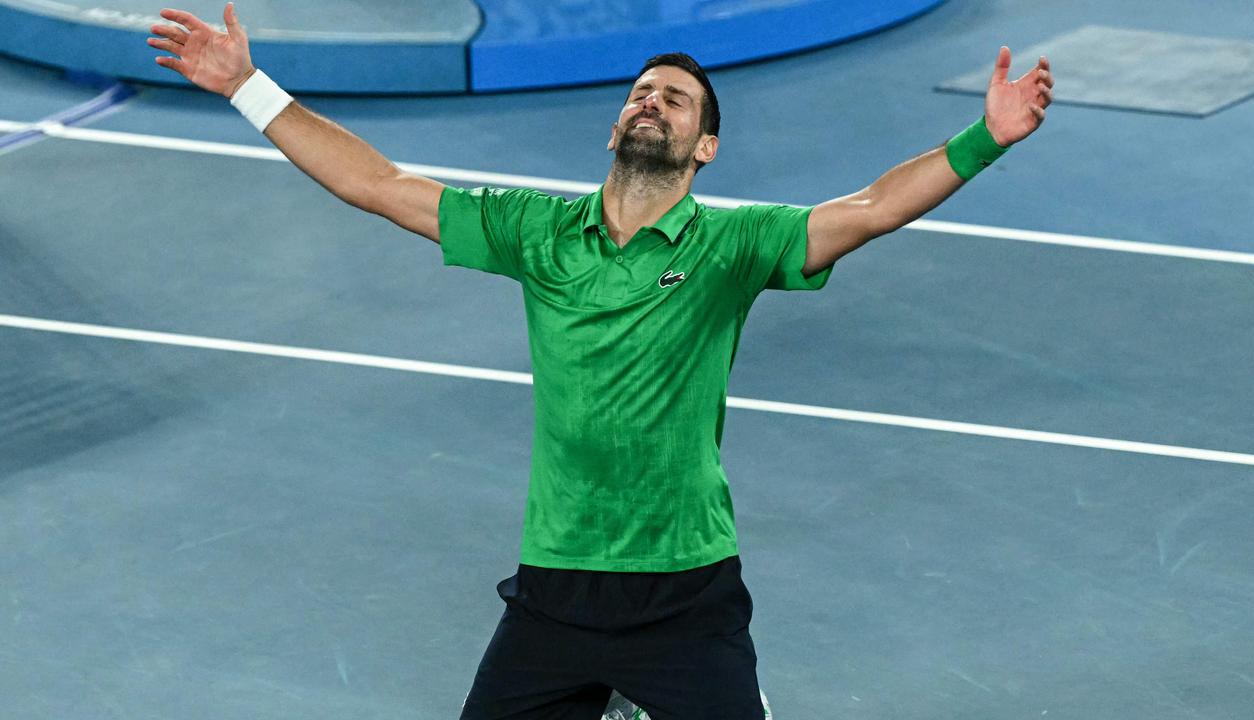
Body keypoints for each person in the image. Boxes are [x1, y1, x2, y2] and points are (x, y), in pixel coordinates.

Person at [148, 5, 1053, 718]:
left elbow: (870, 209)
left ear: (705, 147)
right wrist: (247, 87)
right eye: (641, 92)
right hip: (557, 585)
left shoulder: (732, 246)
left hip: (686, 587)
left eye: (675, 99)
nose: (651, 100)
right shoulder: (536, 231)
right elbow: (378, 184)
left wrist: (984, 140)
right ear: (616, 126)